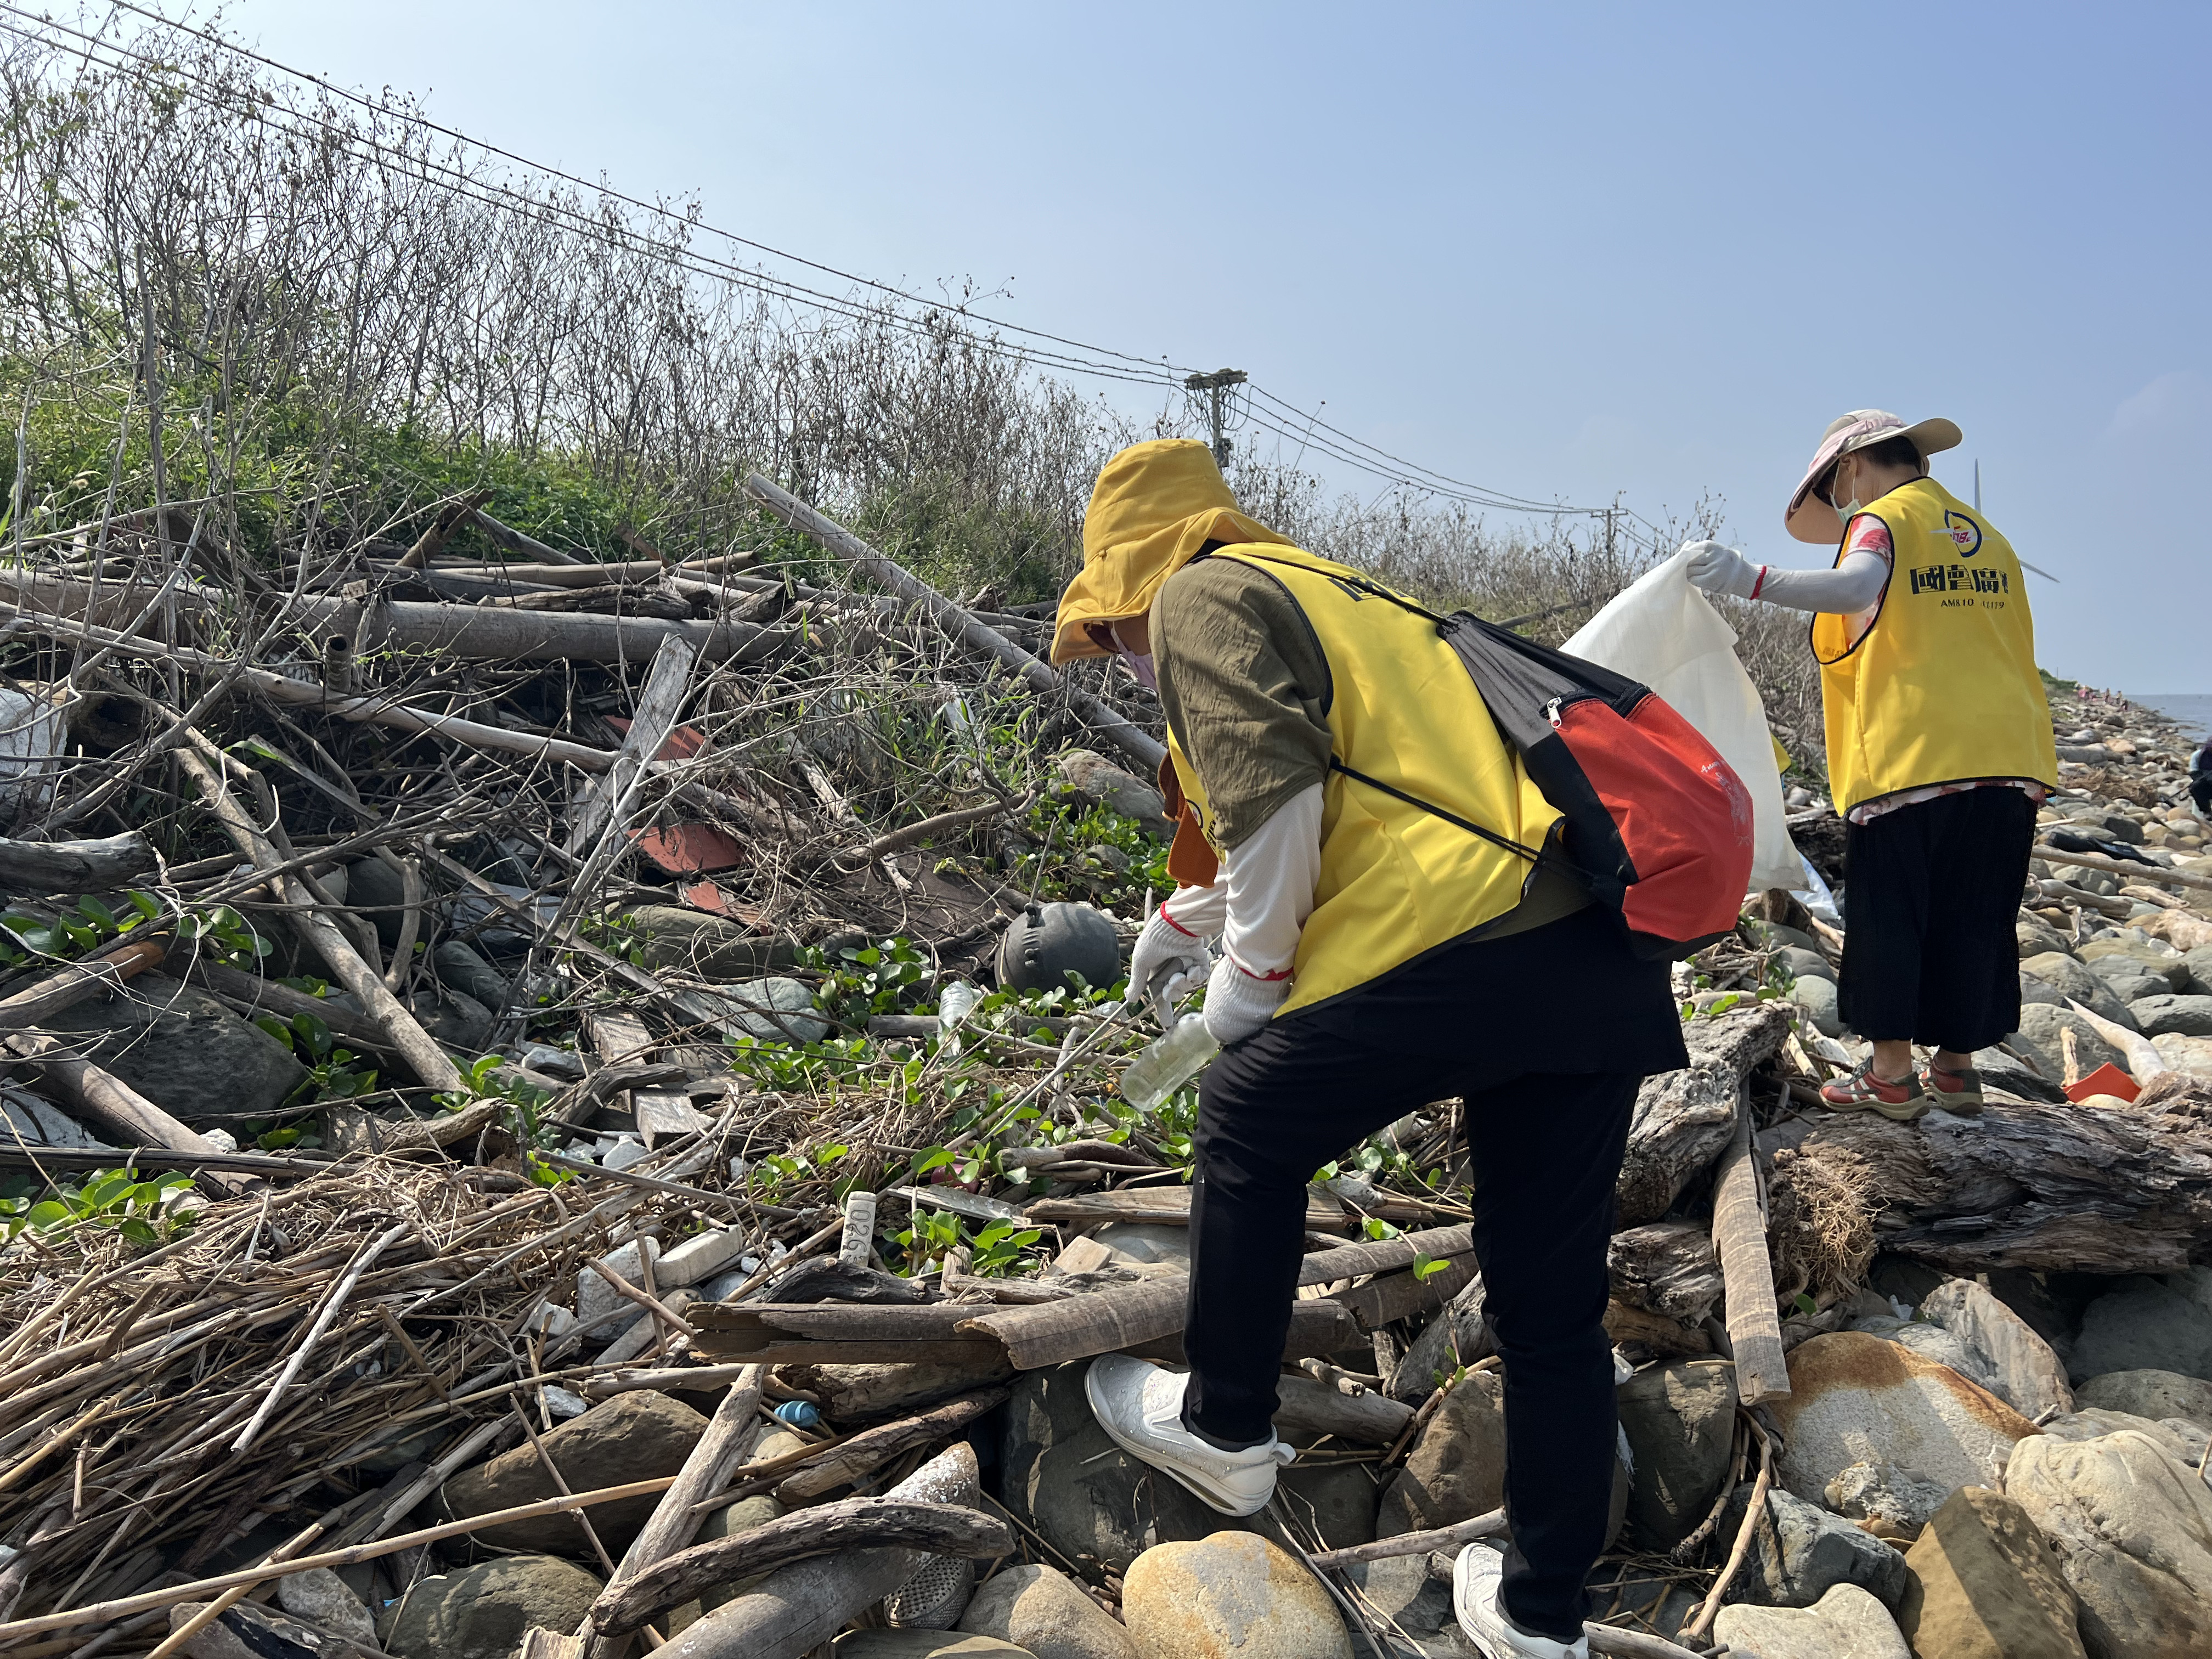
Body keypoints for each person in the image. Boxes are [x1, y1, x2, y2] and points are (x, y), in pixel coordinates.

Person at [1049, 439, 1690, 1659]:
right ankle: (1546, 1618)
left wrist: (1245, 988)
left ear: (1136, 574)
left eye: (1112, 631)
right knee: (1553, 1302)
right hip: (1590, 953)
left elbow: (1280, 802)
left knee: (1244, 1118)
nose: (1125, 659)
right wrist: (1183, 919)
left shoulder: (1200, 593)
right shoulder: (1342, 590)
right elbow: (1380, 795)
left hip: (1461, 945)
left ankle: (1228, 1431)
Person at [1684, 410, 2058, 1119]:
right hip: (2011, 755)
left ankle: (1890, 1076)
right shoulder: (1991, 541)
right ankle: (1955, 1070)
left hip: (1915, 753)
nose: (1840, 497)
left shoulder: (1883, 522)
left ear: (1852, 465)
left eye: (1835, 483)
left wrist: (1749, 578)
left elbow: (1857, 588)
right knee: (1976, 916)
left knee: (1892, 914)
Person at [2190, 737, 2211, 818]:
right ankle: (2207, 811)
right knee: (2195, 787)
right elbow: (2194, 773)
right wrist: (2207, 779)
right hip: (2206, 784)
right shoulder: (2197, 755)